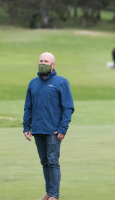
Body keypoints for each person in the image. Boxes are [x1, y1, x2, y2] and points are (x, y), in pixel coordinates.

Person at [23, 52, 74, 200]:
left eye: (46, 61)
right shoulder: (33, 83)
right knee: (45, 162)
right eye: (41, 60)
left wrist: (63, 128)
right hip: (38, 130)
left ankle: (54, 195)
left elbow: (68, 108)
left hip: (54, 131)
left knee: (52, 161)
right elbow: (28, 107)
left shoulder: (61, 82)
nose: (43, 63)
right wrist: (27, 127)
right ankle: (49, 192)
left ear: (52, 65)